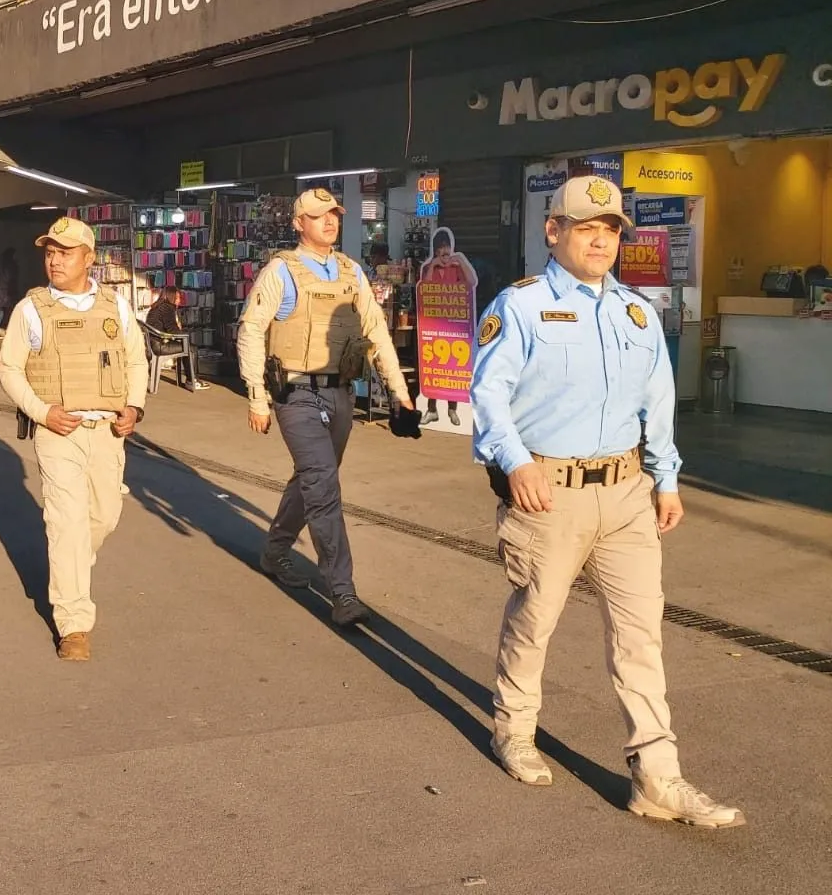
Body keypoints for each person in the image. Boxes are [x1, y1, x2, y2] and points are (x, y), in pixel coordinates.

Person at [469, 175, 744, 828]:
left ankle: (657, 777)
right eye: (585, 227)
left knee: (641, 635)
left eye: (611, 228)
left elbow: (657, 401)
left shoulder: (636, 311)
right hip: (548, 496)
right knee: (534, 622)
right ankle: (513, 730)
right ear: (553, 231)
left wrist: (667, 476)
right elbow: (488, 395)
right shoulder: (521, 306)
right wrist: (516, 463)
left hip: (626, 495)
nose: (600, 239)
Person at [237, 187, 418, 625]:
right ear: (300, 223)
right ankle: (343, 593)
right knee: (323, 487)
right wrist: (257, 397)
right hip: (295, 394)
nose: (330, 221)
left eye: (334, 214)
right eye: (319, 216)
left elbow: (374, 331)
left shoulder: (350, 271)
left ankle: (276, 549)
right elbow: (250, 331)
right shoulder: (281, 271)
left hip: (340, 393)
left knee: (313, 479)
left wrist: (400, 393)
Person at [0, 216, 148, 661]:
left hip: (107, 431)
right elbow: (9, 369)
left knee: (103, 517)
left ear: (89, 258)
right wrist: (43, 412)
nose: (54, 259)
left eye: (65, 252)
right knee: (66, 523)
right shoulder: (31, 310)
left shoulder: (116, 307)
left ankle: (74, 568)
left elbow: (136, 361)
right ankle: (74, 623)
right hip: (58, 431)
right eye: (50, 252)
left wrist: (133, 408)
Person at [419, 228, 477, 427]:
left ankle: (452, 409)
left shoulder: (456, 267)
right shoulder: (429, 267)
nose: (445, 255)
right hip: (433, 325)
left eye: (447, 250)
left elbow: (471, 283)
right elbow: (424, 290)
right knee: (433, 366)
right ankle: (432, 409)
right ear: (435, 252)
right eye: (441, 251)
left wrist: (460, 262)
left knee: (452, 365)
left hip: (454, 324)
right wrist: (431, 267)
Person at [144, 286, 207, 390]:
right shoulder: (167, 308)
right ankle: (192, 380)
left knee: (186, 345)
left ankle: (190, 379)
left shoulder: (158, 306)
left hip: (155, 343)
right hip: (160, 345)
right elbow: (172, 330)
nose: (179, 301)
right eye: (177, 298)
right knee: (191, 348)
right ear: (171, 297)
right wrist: (185, 333)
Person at [0, 246, 20, 337]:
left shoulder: (2, 265)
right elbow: (11, 278)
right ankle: (6, 329)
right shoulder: (11, 266)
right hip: (8, 290)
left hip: (2, 290)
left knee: (1, 310)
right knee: (9, 311)